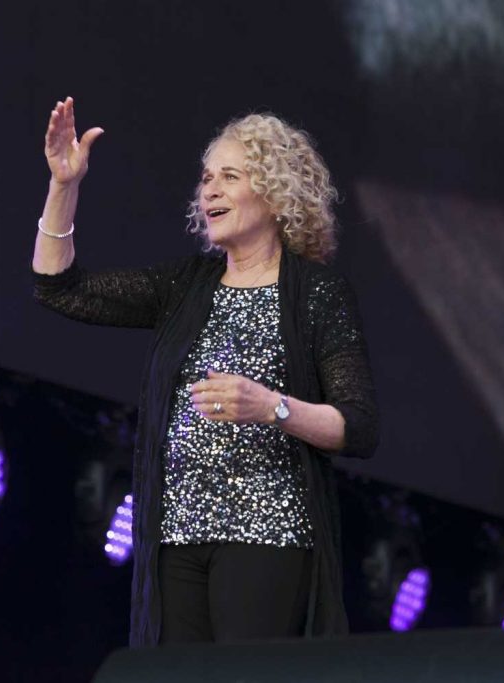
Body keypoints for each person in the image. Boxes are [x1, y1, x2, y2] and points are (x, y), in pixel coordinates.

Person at [32, 97, 378, 647]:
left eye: (230, 177)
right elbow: (61, 289)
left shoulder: (315, 294)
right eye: (206, 178)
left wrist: (272, 407)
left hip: (269, 536)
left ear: (274, 192)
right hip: (176, 538)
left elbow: (357, 426)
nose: (209, 190)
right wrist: (63, 186)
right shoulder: (186, 286)